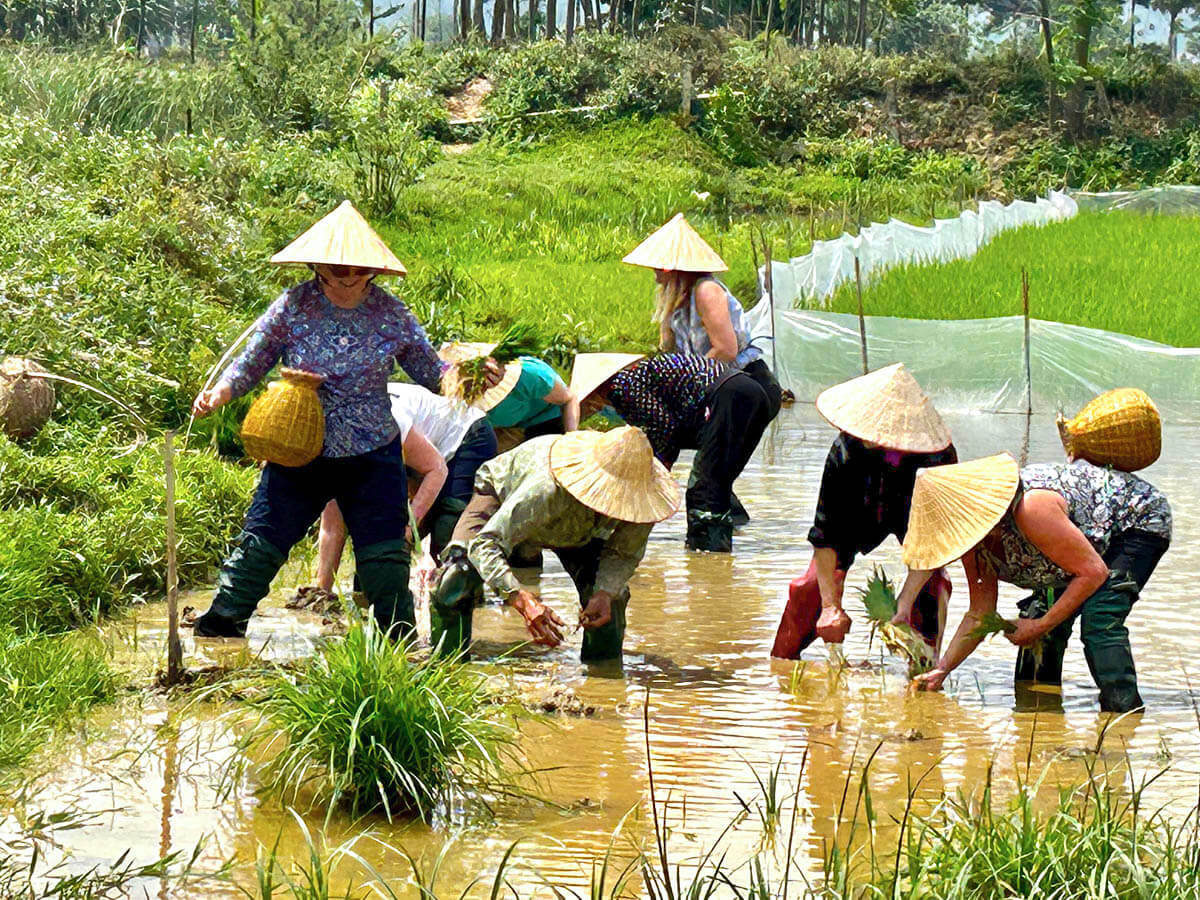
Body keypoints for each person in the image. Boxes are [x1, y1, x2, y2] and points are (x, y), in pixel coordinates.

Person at [190, 201, 442, 639]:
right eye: (331, 272)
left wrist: (471, 375)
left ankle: (398, 649)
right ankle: (219, 633)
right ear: (316, 268)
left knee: (384, 562)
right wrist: (220, 393)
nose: (343, 282)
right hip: (299, 451)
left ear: (371, 272)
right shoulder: (292, 307)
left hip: (372, 453)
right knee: (260, 546)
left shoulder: (393, 316)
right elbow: (253, 362)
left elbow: (433, 373)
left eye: (353, 273)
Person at [895, 451, 1171, 713]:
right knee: (1039, 621)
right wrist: (943, 669)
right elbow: (980, 613)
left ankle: (1123, 715)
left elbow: (1093, 572)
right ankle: (1038, 716)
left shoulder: (1032, 508)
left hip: (1134, 523)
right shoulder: (974, 541)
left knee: (1099, 618)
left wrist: (1041, 625)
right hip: (1075, 545)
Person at [428, 426, 681, 661]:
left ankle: (603, 683)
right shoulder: (546, 488)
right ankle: (447, 665)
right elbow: (486, 544)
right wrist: (520, 598)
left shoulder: (642, 501)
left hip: (580, 530)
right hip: (505, 496)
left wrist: (604, 592)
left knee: (611, 602)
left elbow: (623, 553)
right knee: (456, 576)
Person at [770, 363, 957, 659]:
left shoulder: (937, 459)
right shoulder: (846, 451)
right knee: (809, 589)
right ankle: (781, 667)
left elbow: (933, 544)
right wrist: (830, 606)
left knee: (930, 590)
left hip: (911, 510)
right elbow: (826, 532)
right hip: (860, 506)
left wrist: (904, 602)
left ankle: (924, 676)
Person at [303, 382, 500, 607]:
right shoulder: (329, 444)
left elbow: (437, 469)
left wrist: (410, 528)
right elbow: (331, 528)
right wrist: (322, 592)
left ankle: (467, 607)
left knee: (448, 529)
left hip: (466, 436)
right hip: (419, 451)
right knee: (376, 549)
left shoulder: (387, 421)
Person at [570, 352, 772, 552]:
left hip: (730, 398)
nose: (593, 408)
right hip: (751, 394)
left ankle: (709, 560)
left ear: (596, 391)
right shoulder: (638, 377)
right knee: (717, 479)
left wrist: (657, 472)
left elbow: (663, 428)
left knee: (706, 488)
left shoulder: (621, 386)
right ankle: (732, 530)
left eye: (589, 402)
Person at [623, 213, 782, 421]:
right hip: (718, 386)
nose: (655, 273)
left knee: (716, 452)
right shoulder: (680, 300)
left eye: (659, 266)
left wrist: (686, 382)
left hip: (746, 386)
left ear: (673, 268)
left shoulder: (706, 291)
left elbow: (726, 350)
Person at [441, 343, 579, 449]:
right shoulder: (457, 401)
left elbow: (569, 399)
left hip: (543, 420)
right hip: (504, 430)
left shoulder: (531, 375)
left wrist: (571, 440)